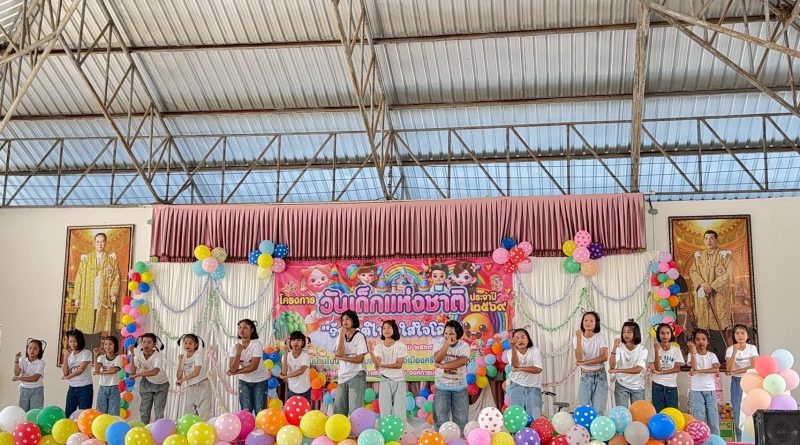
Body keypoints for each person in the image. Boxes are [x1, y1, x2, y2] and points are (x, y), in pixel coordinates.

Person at [688, 229, 733, 362]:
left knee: (718, 328)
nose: (709, 241)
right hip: (703, 297)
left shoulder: (724, 255)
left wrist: (712, 286)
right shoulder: (699, 256)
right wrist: (702, 283)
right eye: (706, 238)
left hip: (718, 297)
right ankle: (703, 360)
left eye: (711, 238)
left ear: (716, 240)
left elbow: (728, 274)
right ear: (703, 240)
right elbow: (693, 271)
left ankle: (720, 359)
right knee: (703, 328)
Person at [72, 233, 121, 335]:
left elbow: (116, 277)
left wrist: (113, 293)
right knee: (86, 328)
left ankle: (96, 342)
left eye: (102, 241)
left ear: (105, 243)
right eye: (98, 242)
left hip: (103, 296)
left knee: (99, 327)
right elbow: (79, 278)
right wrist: (77, 297)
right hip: (88, 296)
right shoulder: (86, 259)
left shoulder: (111, 259)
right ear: (94, 243)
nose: (100, 244)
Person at [433, 319, 470, 434]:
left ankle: (460, 440)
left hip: (459, 388)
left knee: (461, 419)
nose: (448, 336)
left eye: (451, 334)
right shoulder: (439, 343)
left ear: (458, 334)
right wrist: (446, 344)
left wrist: (443, 366)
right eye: (446, 333)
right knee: (440, 419)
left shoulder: (463, 346)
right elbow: (437, 358)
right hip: (441, 387)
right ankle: (440, 439)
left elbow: (462, 361)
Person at [369, 320, 408, 422]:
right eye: (384, 328)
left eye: (389, 327)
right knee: (385, 409)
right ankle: (385, 429)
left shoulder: (400, 346)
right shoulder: (379, 347)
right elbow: (377, 363)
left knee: (399, 409)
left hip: (399, 381)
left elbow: (398, 364)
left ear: (394, 329)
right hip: (385, 380)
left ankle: (400, 430)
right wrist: (370, 352)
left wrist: (382, 365)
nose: (386, 330)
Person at [228, 319, 268, 413]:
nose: (241, 330)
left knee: (260, 410)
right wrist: (238, 352)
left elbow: (253, 366)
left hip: (260, 380)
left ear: (252, 330)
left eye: (245, 328)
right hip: (244, 381)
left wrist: (235, 372)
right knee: (246, 410)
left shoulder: (256, 344)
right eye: (240, 328)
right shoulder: (235, 347)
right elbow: (232, 368)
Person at [725, 324, 758, 440]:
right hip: (736, 382)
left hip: (750, 380)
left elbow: (753, 366)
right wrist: (734, 351)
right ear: (734, 336)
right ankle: (740, 439)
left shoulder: (752, 348)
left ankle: (755, 438)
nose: (740, 336)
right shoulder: (730, 349)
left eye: (743, 333)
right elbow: (728, 369)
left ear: (747, 335)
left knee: (752, 409)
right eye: (737, 333)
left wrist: (735, 371)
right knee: (738, 411)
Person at [129, 333, 169, 424]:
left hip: (161, 384)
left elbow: (155, 371)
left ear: (154, 344)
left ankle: (158, 430)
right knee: (144, 410)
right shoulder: (138, 355)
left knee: (158, 411)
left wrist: (138, 374)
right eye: (144, 342)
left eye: (149, 342)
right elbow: (132, 372)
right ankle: (144, 429)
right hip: (146, 383)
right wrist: (132, 354)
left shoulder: (157, 355)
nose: (146, 344)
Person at [574, 312, 609, 414]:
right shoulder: (576, 339)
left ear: (596, 323)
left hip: (600, 375)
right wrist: (579, 338)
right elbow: (579, 358)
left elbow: (604, 357)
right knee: (582, 409)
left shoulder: (600, 337)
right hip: (585, 376)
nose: (588, 322)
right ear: (582, 322)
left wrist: (584, 362)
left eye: (591, 320)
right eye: (585, 320)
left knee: (599, 410)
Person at [333, 310, 367, 415]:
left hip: (357, 375)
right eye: (343, 320)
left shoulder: (359, 336)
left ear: (354, 320)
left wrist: (341, 358)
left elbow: (359, 359)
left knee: (354, 411)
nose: (345, 322)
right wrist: (341, 335)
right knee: (339, 410)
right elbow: (339, 353)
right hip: (342, 376)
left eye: (347, 319)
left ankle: (355, 427)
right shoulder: (340, 337)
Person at [689, 329, 721, 436]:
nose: (701, 342)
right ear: (694, 342)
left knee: (713, 419)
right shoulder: (691, 355)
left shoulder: (712, 356)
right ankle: (700, 440)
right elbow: (694, 367)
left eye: (703, 339)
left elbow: (716, 369)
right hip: (696, 390)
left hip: (710, 390)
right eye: (697, 339)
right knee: (698, 418)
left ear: (707, 342)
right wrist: (692, 352)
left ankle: (715, 440)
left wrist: (699, 371)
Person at [508, 328, 543, 419]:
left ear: (528, 339)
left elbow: (538, 369)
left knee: (535, 416)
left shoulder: (534, 350)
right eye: (517, 338)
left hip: (533, 387)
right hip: (516, 386)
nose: (520, 340)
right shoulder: (510, 352)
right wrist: (513, 348)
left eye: (523, 337)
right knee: (517, 417)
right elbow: (515, 364)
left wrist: (520, 369)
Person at [609, 320, 647, 407]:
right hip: (621, 384)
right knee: (622, 412)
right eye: (624, 332)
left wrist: (618, 370)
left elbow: (638, 369)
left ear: (636, 333)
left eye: (629, 332)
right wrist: (614, 347)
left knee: (638, 413)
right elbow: (612, 366)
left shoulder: (642, 350)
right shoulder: (619, 347)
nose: (625, 334)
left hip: (638, 386)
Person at [648, 323, 684, 412]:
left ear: (671, 334)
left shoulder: (676, 350)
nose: (665, 336)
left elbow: (677, 369)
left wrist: (662, 372)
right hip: (657, 385)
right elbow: (657, 368)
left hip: (671, 385)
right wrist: (657, 351)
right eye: (662, 333)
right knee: (659, 412)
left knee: (672, 413)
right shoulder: (653, 349)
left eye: (668, 333)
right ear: (658, 334)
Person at [177, 334, 212, 419]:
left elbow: (196, 373)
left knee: (204, 412)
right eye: (185, 343)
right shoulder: (183, 357)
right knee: (189, 412)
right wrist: (180, 362)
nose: (187, 345)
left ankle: (203, 427)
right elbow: (179, 377)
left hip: (202, 385)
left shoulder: (198, 354)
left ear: (196, 345)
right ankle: (191, 427)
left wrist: (182, 380)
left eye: (190, 343)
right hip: (191, 387)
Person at [62, 329, 94, 416]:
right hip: (72, 388)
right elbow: (65, 373)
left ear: (80, 341)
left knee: (84, 415)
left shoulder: (86, 353)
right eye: (70, 341)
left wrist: (68, 377)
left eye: (74, 341)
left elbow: (80, 370)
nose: (72, 344)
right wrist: (65, 357)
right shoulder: (69, 355)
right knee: (68, 414)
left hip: (85, 388)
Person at [13, 339, 45, 411]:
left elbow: (35, 378)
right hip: (24, 389)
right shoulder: (22, 360)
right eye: (30, 348)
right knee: (23, 411)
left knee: (35, 412)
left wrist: (19, 378)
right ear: (27, 349)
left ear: (40, 351)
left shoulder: (41, 363)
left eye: (35, 348)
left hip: (37, 390)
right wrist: (16, 360)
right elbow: (16, 373)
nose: (32, 350)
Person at [93, 335, 122, 415]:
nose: (107, 346)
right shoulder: (101, 358)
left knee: (113, 412)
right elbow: (97, 369)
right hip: (102, 387)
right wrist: (95, 356)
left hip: (114, 388)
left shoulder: (118, 358)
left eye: (110, 344)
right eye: (105, 344)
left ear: (115, 345)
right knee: (100, 412)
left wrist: (100, 373)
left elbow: (114, 370)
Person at [278, 331, 311, 399]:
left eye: (298, 340)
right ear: (290, 342)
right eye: (293, 340)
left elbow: (301, 371)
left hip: (305, 390)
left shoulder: (305, 356)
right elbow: (284, 372)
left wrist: (286, 376)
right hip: (292, 390)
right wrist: (286, 354)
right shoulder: (285, 356)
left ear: (302, 343)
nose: (295, 342)